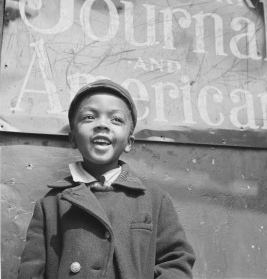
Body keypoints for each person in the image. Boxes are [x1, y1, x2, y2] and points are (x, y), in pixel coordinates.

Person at [17, 79, 195, 279]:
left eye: (116, 119)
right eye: (89, 117)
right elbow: (31, 271)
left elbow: (176, 261)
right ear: (73, 138)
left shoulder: (154, 199)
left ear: (129, 142)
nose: (102, 124)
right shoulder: (50, 204)